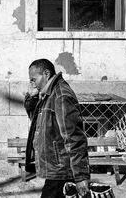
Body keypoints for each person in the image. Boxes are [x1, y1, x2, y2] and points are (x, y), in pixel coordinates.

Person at [24, 59, 90, 198]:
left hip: (62, 169)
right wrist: (31, 97)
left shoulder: (61, 95)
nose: (32, 84)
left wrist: (81, 176)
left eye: (34, 79)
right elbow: (35, 120)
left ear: (46, 74)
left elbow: (74, 136)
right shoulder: (48, 94)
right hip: (56, 168)